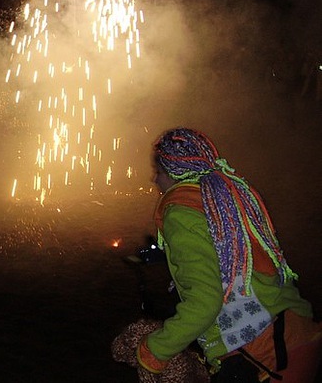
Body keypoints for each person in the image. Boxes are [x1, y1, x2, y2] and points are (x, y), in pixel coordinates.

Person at [136, 127, 321, 382]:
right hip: (296, 333)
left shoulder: (180, 213)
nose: (153, 179)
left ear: (173, 173)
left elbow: (204, 303)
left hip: (264, 356)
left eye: (157, 172)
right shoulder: (227, 197)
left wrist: (154, 351)